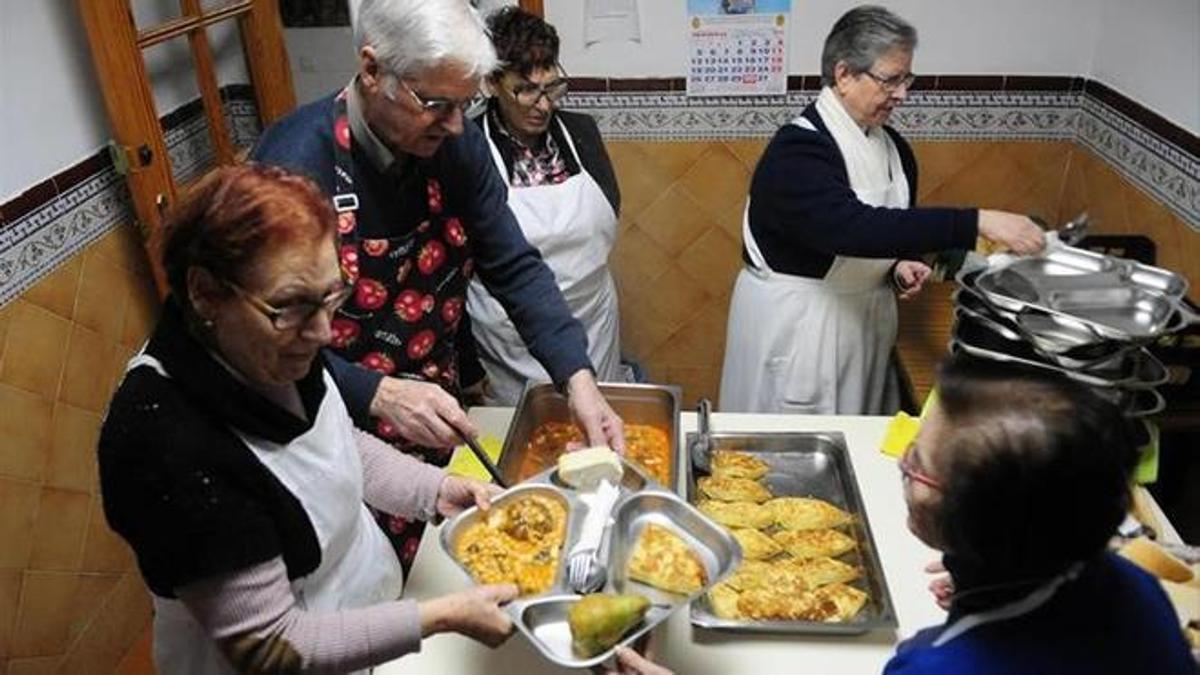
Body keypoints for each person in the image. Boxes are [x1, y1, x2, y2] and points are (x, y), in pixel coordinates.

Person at [98, 165, 519, 674]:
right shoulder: (164, 444)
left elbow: (335, 446)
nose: (323, 333)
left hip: (362, 616)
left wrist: (435, 489)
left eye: (331, 297)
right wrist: (443, 616)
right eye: (293, 306)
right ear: (206, 292)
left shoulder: (268, 343)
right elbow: (272, 647)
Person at [252, 0, 625, 567]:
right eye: (436, 104)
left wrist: (577, 378)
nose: (456, 126)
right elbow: (265, 342)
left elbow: (513, 264)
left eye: (465, 103)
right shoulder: (295, 165)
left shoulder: (454, 146)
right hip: (329, 417)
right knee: (358, 576)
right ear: (373, 70)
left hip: (434, 407)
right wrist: (376, 393)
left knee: (436, 566)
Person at [613, 355, 1195, 674]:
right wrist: (990, 580)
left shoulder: (937, 667)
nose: (902, 462)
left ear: (972, 518)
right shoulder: (1136, 589)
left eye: (916, 461)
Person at [719, 5, 1046, 416]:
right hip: (802, 330)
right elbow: (849, 228)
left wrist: (895, 266)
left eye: (907, 79)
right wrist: (977, 221)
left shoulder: (892, 147)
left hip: (864, 324)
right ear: (843, 75)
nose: (902, 94)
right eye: (890, 79)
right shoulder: (797, 152)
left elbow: (885, 229)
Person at [459, 6, 624, 405]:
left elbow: (609, 212)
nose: (544, 105)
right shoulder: (466, 147)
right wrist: (467, 364)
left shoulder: (582, 133)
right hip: (508, 340)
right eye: (526, 89)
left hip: (593, 323)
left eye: (551, 87)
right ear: (492, 83)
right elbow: (454, 267)